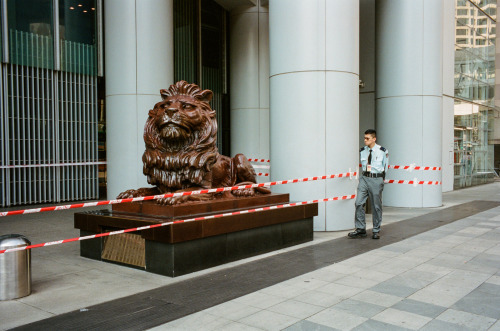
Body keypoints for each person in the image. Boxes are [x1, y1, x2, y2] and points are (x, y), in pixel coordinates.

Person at [348, 129, 388, 240]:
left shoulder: (382, 151)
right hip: (364, 178)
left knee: (376, 206)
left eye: (367, 138)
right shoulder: (362, 151)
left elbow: (386, 167)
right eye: (364, 138)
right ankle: (360, 229)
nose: (365, 140)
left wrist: (380, 180)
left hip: (376, 179)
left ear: (374, 139)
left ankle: (376, 230)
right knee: (359, 202)